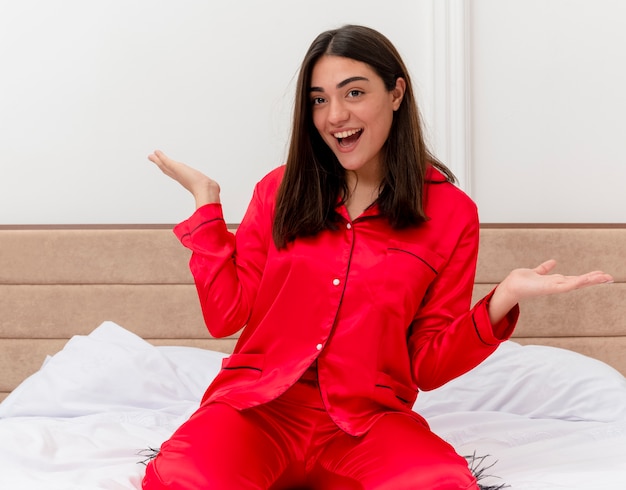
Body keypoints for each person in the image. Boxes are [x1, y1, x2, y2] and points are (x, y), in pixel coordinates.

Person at [141, 24, 612, 490]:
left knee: (440, 484)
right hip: (259, 411)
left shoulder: (451, 214)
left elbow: (427, 366)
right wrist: (207, 204)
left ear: (396, 93)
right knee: (183, 478)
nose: (335, 115)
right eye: (319, 99)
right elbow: (226, 316)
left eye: (354, 93)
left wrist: (501, 300)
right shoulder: (279, 190)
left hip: (366, 422)